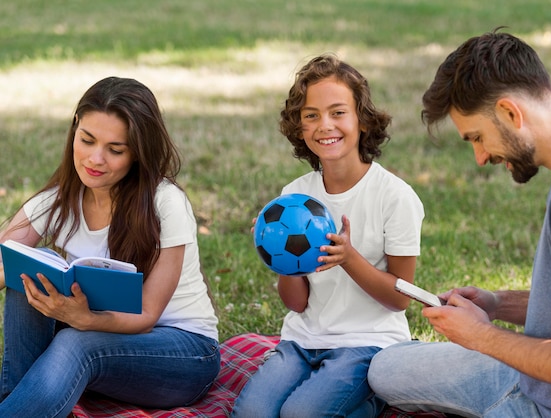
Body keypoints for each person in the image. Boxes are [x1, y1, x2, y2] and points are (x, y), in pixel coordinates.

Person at [368, 29, 551, 417]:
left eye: (478, 137)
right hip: (538, 377)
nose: (479, 156)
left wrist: (480, 337)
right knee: (384, 369)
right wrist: (497, 303)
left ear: (509, 112)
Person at [0, 76, 220, 417]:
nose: (95, 159)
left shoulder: (167, 203)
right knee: (30, 266)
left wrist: (84, 320)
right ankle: (18, 399)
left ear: (137, 152)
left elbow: (147, 315)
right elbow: (3, 260)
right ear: (75, 128)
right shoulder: (57, 200)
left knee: (76, 342)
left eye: (115, 150)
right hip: (99, 336)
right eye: (86, 140)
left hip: (184, 352)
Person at [231, 54, 425, 417]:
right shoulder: (294, 198)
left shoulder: (394, 196)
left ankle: (373, 398)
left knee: (299, 415)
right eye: (311, 115)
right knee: (251, 414)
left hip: (368, 344)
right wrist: (278, 257)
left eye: (338, 112)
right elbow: (297, 303)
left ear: (362, 120)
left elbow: (400, 299)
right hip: (303, 340)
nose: (325, 125)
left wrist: (349, 259)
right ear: (299, 127)